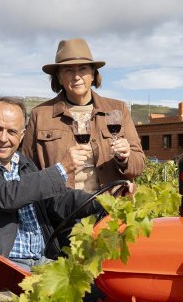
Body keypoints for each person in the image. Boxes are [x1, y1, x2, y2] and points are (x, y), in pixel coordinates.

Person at [0, 97, 99, 270]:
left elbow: (56, 200)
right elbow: (6, 196)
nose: (3, 138)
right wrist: (62, 169)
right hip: (0, 263)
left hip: (42, 260)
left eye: (12, 132)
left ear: (22, 135)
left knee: (95, 288)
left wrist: (99, 201)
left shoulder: (24, 164)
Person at [22, 38, 145, 194]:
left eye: (83, 69)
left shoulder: (118, 109)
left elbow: (139, 165)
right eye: (68, 70)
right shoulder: (39, 115)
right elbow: (27, 172)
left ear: (93, 74)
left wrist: (125, 158)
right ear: (59, 77)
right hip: (63, 212)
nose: (76, 76)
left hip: (111, 209)